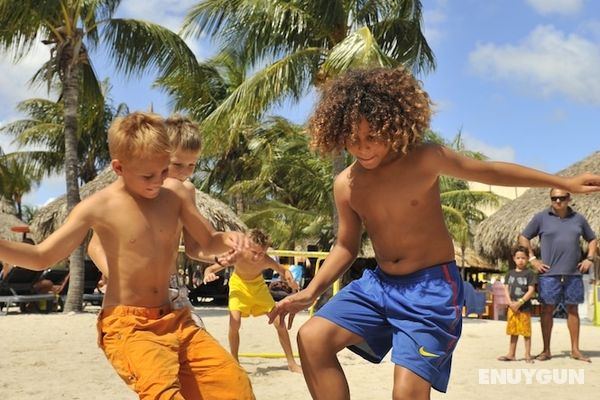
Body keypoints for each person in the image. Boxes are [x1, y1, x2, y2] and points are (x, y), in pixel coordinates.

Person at [267, 67, 600, 399]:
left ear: (392, 126)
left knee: (406, 393)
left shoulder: (424, 159)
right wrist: (311, 291)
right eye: (353, 140)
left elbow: (491, 170)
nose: (364, 148)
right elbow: (345, 245)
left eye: (373, 138)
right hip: (379, 285)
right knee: (312, 338)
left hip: (430, 290)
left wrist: (562, 183)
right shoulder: (346, 185)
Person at [0, 112, 255, 399]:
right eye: (148, 175)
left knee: (235, 387)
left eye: (163, 171)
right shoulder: (98, 207)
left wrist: (229, 239)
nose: (158, 181)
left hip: (176, 317)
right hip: (129, 325)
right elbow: (40, 256)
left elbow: (207, 241)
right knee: (163, 393)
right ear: (119, 167)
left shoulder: (175, 197)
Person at [203, 229, 303, 373]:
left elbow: (283, 270)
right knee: (234, 322)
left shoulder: (266, 260)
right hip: (238, 286)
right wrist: (208, 275)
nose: (257, 257)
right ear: (246, 246)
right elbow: (211, 269)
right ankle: (235, 361)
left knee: (279, 321)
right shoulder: (238, 255)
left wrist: (290, 281)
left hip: (258, 288)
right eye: (253, 252)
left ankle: (291, 363)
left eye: (260, 253)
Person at [519, 188, 597, 363]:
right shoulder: (541, 218)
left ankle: (575, 350)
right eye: (554, 198)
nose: (558, 201)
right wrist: (532, 259)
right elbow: (523, 237)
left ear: (569, 198)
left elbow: (592, 238)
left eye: (562, 198)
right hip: (548, 273)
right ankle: (546, 350)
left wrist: (590, 258)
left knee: (573, 310)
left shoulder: (578, 219)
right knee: (547, 310)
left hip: (573, 272)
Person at [497, 246, 536, 363]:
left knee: (526, 332)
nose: (521, 260)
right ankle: (511, 354)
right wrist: (509, 303)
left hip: (524, 307)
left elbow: (531, 290)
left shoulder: (530, 274)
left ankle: (527, 354)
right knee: (513, 331)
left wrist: (520, 302)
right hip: (512, 307)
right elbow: (506, 288)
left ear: (528, 259)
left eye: (523, 258)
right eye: (518, 258)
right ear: (514, 259)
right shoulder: (510, 274)